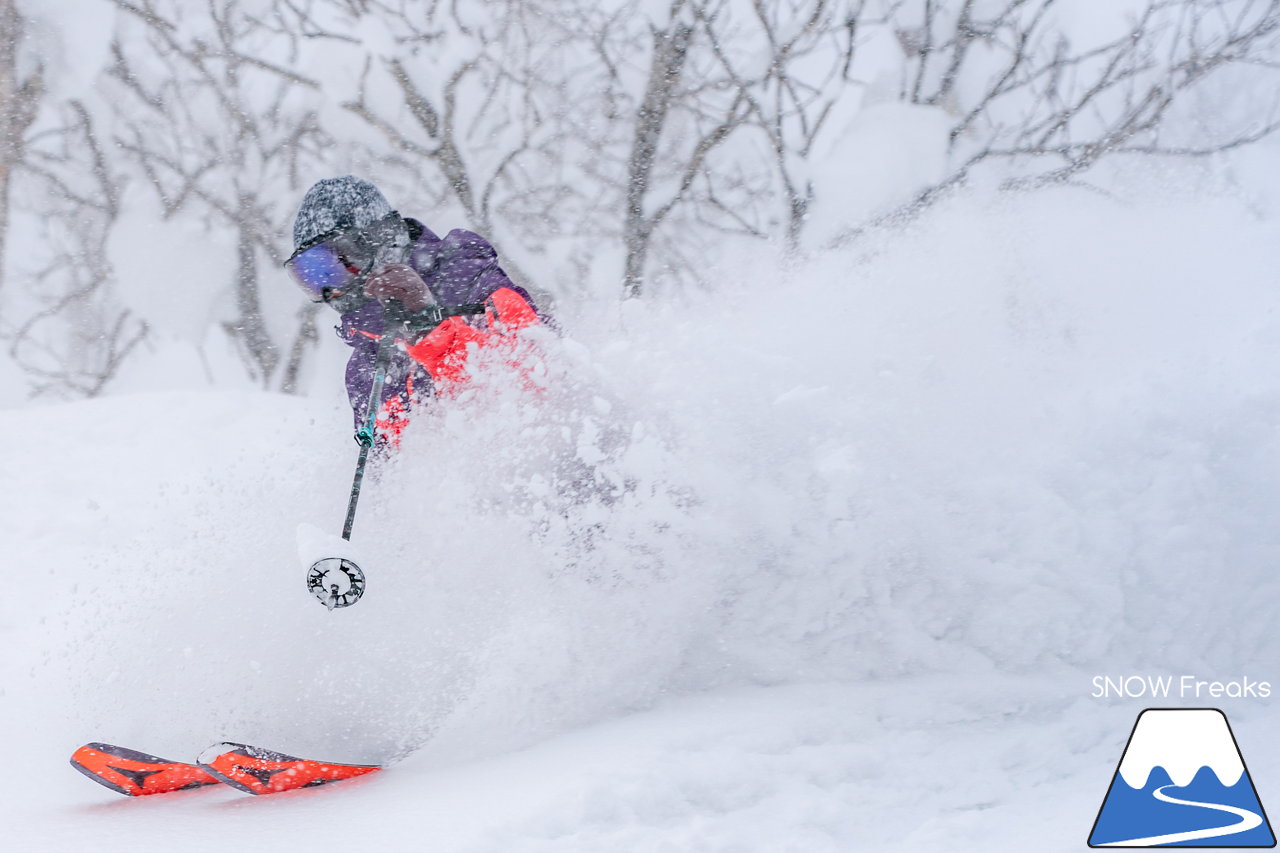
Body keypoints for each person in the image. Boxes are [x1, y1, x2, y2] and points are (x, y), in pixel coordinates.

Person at [284, 176, 545, 445]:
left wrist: (428, 326)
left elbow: (541, 381)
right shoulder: (365, 369)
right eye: (311, 276)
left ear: (378, 243)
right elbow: (386, 474)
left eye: (333, 267)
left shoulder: (472, 281)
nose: (331, 292)